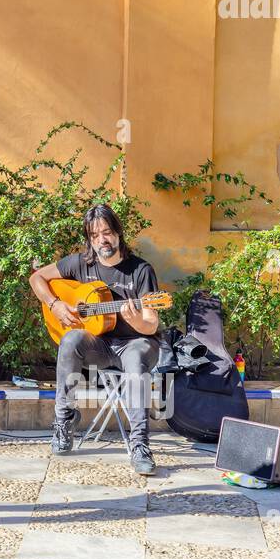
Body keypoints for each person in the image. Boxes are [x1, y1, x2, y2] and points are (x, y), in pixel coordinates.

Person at [29, 204, 162, 476]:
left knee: (136, 359)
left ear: (118, 233)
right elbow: (37, 278)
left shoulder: (140, 270)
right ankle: (64, 420)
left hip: (136, 342)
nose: (102, 240)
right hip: (99, 345)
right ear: (89, 238)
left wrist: (135, 320)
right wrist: (54, 304)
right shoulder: (80, 264)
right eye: (95, 235)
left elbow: (150, 325)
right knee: (70, 340)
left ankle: (140, 445)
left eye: (107, 232)